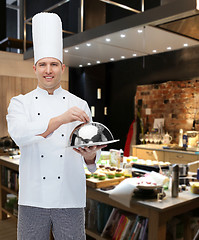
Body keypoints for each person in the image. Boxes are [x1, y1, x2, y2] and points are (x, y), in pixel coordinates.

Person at [6, 12, 106, 240]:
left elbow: (91, 156)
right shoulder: (20, 102)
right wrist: (61, 119)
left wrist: (91, 156)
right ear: (35, 68)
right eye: (42, 64)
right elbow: (20, 135)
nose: (48, 70)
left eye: (53, 64)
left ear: (62, 67)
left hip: (69, 197)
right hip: (32, 198)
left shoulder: (79, 104)